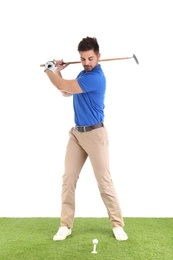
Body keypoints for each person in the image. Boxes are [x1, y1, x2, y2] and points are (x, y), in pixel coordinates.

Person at [44, 36, 128, 241]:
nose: (87, 63)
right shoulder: (83, 74)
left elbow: (60, 86)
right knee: (68, 179)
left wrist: (48, 70)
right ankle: (65, 225)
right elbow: (65, 90)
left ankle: (117, 224)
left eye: (90, 58)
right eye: (83, 59)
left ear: (98, 56)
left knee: (104, 181)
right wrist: (58, 71)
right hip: (76, 135)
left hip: (95, 134)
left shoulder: (96, 78)